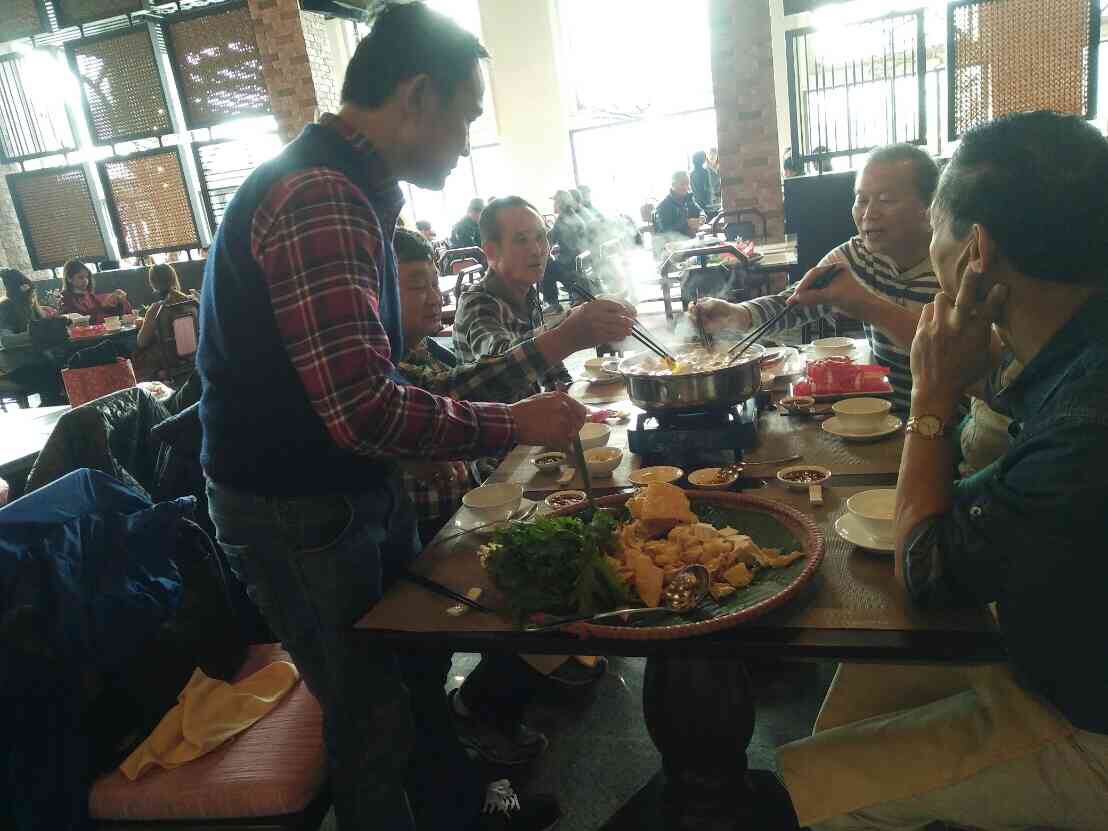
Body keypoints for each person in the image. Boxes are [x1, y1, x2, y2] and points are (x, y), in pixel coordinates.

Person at [197, 5, 580, 830]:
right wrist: (512, 422)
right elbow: (364, 411)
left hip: (349, 491)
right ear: (416, 97)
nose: (467, 142)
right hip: (297, 510)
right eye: (466, 117)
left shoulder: (354, 189)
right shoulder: (320, 196)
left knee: (415, 677)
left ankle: (459, 814)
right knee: (369, 716)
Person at [777, 110, 1108, 831]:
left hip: (1086, 718)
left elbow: (926, 574)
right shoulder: (1078, 347)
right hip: (1051, 634)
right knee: (863, 685)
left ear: (976, 251)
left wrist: (931, 399)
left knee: (814, 788)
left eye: (936, 226)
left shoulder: (1086, 422)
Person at [393, 227, 619, 762]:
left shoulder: (422, 349)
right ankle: (480, 709)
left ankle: (517, 680)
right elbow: (457, 394)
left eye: (433, 283)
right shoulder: (471, 311)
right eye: (414, 285)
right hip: (428, 536)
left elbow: (442, 412)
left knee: (581, 555)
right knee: (558, 586)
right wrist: (564, 335)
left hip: (464, 510)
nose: (433, 296)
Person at [694, 143, 941, 411]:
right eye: (861, 200)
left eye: (886, 200)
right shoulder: (858, 255)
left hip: (947, 423)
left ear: (930, 207)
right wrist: (736, 314)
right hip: (884, 416)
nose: (869, 213)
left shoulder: (953, 264)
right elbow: (795, 301)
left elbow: (950, 355)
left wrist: (865, 304)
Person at [454, 196, 634, 402]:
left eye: (541, 237)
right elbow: (500, 363)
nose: (537, 250)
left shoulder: (527, 294)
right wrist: (570, 327)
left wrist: (570, 392)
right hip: (501, 422)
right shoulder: (477, 304)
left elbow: (553, 375)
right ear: (491, 252)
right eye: (521, 240)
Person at [0, 268, 65, 405]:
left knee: (62, 363)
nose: (32, 299)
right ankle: (52, 404)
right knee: (50, 370)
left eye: (33, 295)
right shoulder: (6, 309)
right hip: (15, 363)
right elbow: (6, 340)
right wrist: (35, 334)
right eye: (28, 297)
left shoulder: (33, 308)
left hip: (36, 359)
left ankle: (55, 402)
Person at [132, 264, 199, 382]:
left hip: (168, 362)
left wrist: (144, 324)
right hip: (194, 357)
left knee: (135, 352)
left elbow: (141, 342)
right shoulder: (192, 303)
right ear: (174, 278)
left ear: (153, 283)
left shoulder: (156, 309)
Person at [543, 190, 590, 313]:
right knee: (551, 262)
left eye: (555, 202)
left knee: (546, 264)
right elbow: (572, 243)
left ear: (560, 203)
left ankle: (553, 303)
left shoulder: (562, 220)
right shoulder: (574, 216)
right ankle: (576, 294)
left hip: (571, 268)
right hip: (582, 264)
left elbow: (547, 242)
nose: (553, 205)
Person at [60, 259, 132, 325]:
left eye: (87, 277)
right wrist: (103, 306)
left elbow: (106, 315)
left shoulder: (90, 296)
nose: (85, 280)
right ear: (69, 278)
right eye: (80, 277)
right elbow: (81, 320)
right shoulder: (64, 299)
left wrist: (117, 302)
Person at [654, 170, 705, 240]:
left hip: (691, 239)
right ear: (673, 185)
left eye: (687, 183)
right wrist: (686, 223)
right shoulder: (663, 206)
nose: (686, 187)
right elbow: (665, 231)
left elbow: (700, 210)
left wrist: (702, 217)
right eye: (683, 184)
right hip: (673, 243)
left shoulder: (688, 198)